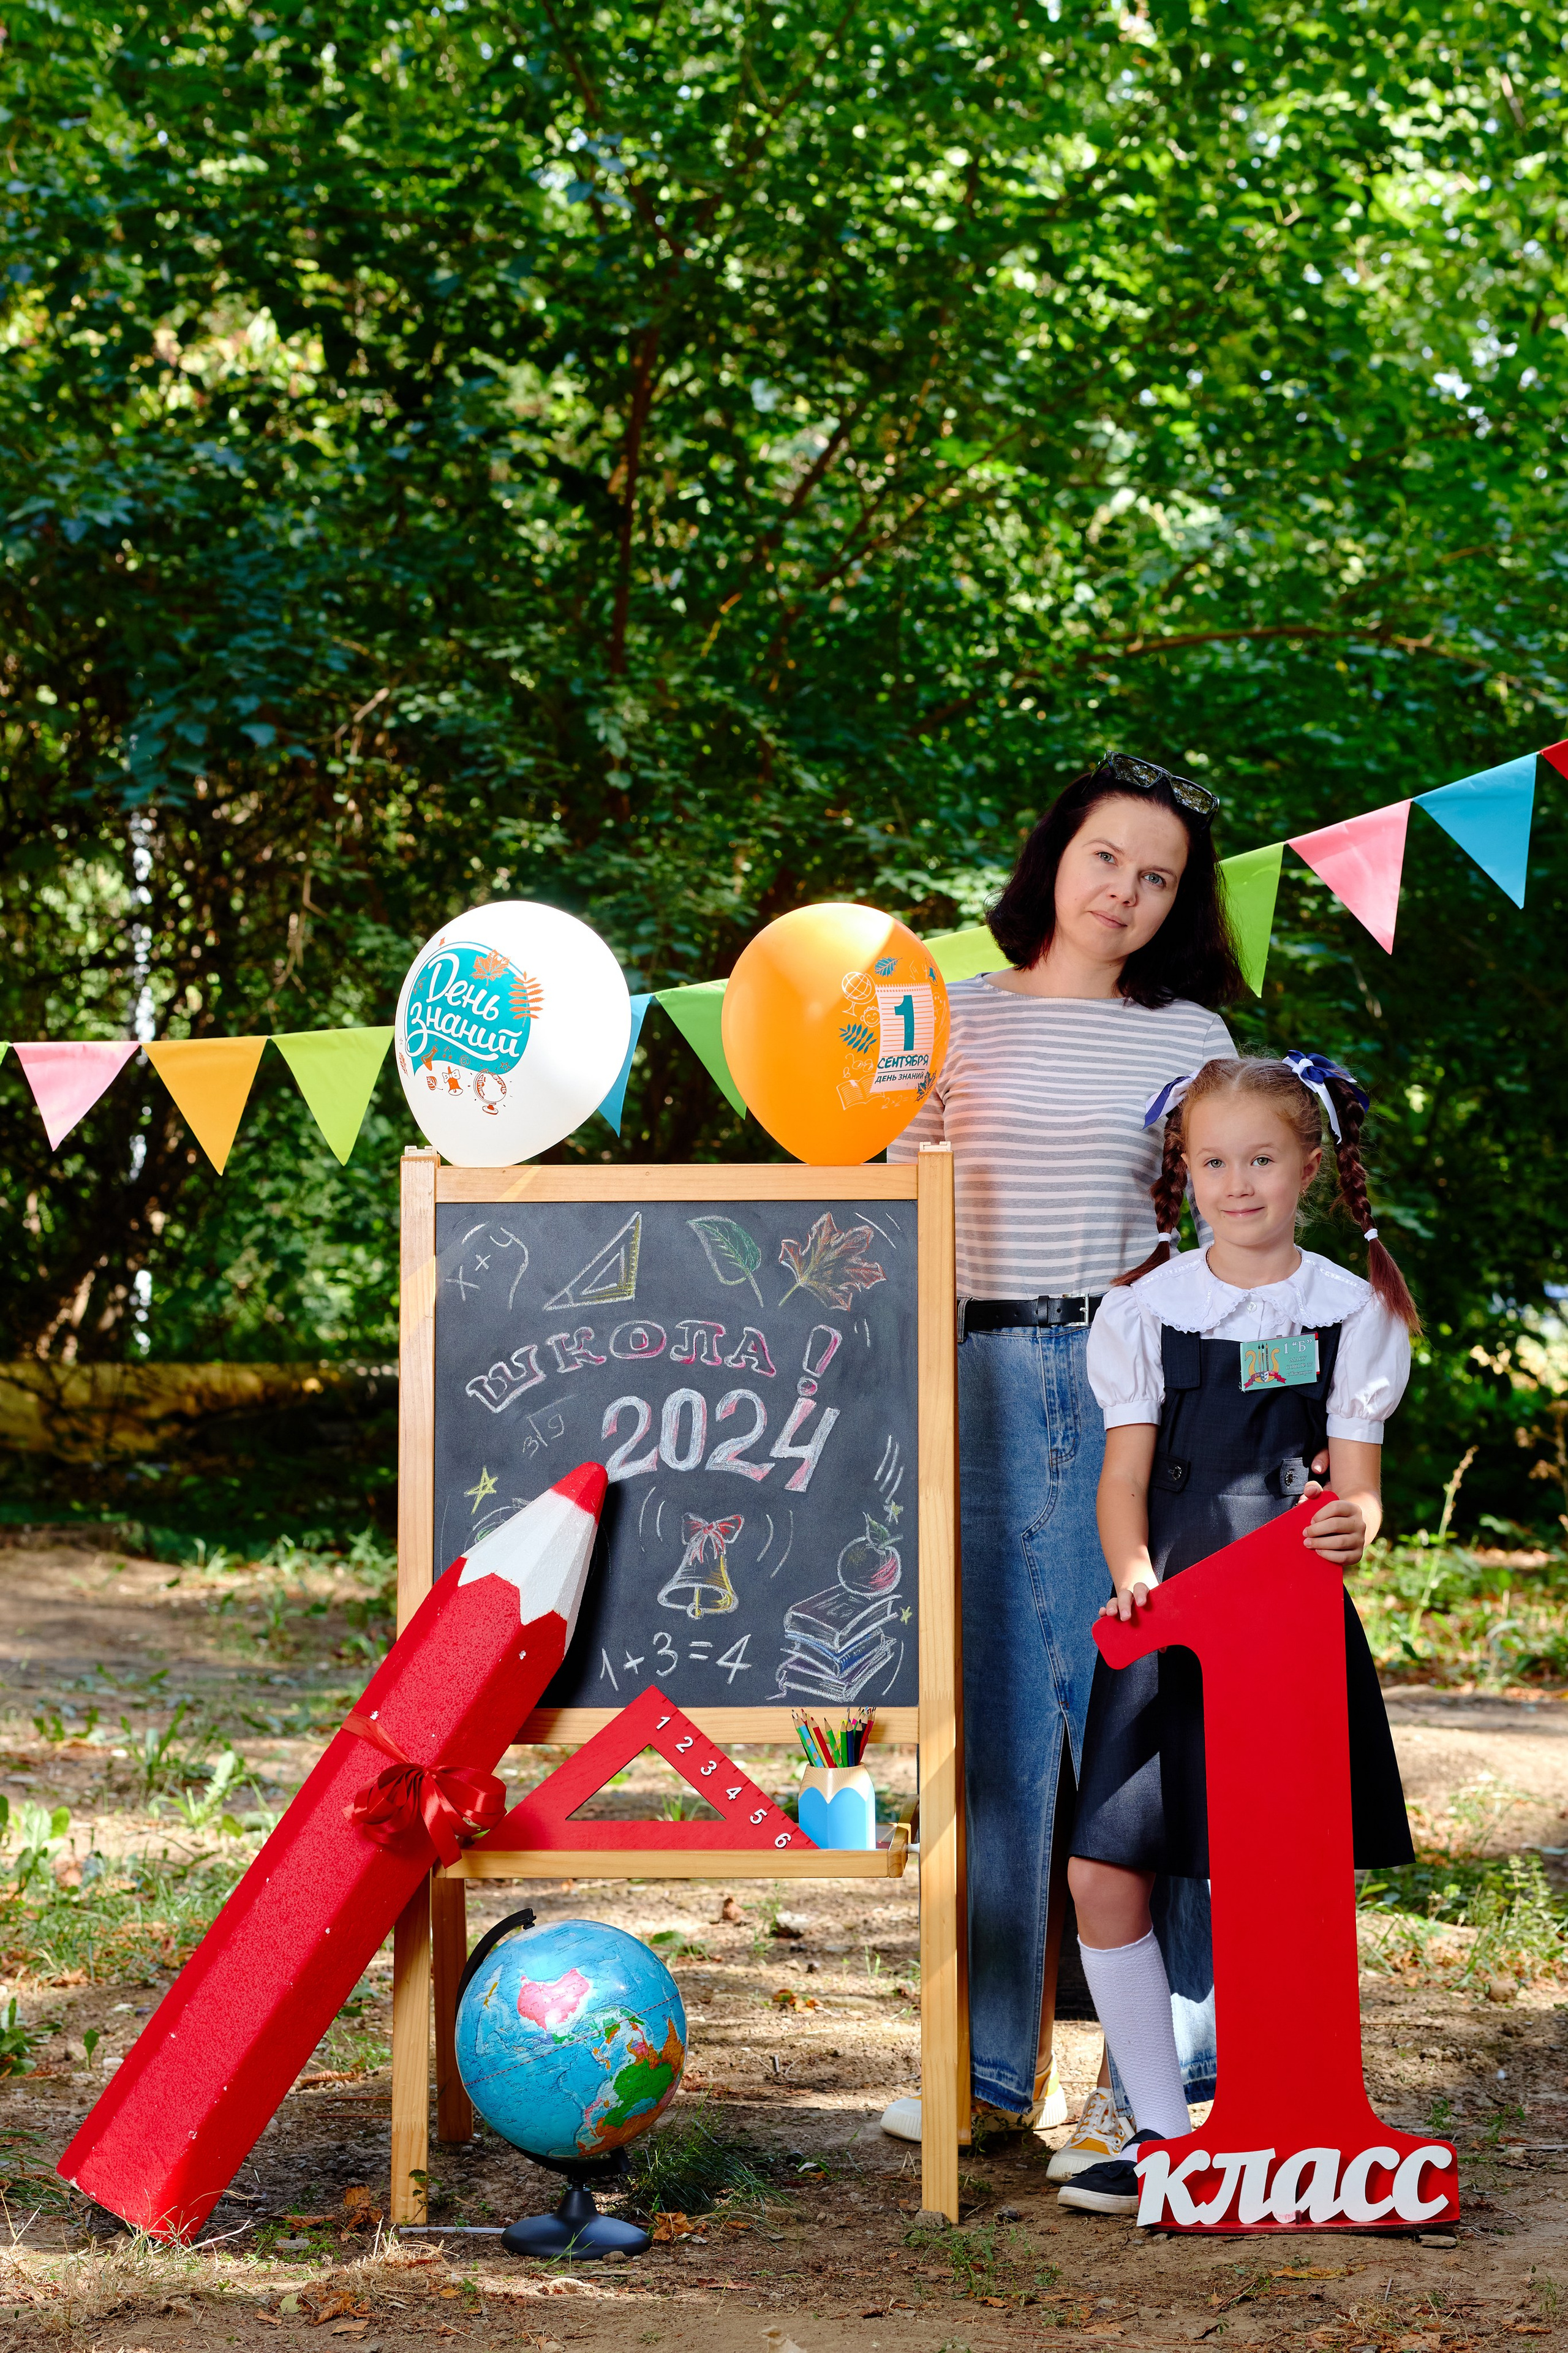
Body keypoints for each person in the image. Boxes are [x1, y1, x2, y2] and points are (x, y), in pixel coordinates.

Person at [883, 752, 1245, 2153]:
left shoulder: (1187, 1036)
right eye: (1107, 858)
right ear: (1053, 858)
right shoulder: (944, 1020)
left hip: (1128, 1390)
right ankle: (978, 2079)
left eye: (1157, 877)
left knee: (1137, 1728)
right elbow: (890, 1207)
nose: (1127, 893)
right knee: (987, 1734)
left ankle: (1162, 2085)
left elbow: (1222, 1228)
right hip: (964, 1371)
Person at [1057, 1051, 1419, 2218]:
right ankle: (1164, 2133)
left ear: (1309, 1167)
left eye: (1261, 1158)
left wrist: (1352, 1523)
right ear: (1185, 1173)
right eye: (1213, 1161)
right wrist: (1132, 1570)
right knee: (1103, 1870)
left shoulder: (1352, 1309)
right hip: (1169, 1626)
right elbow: (1122, 1480)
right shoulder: (1147, 1309)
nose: (1237, 1181)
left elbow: (1360, 1490)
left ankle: (1283, 2124)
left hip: (1290, 1633)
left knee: (1279, 1881)